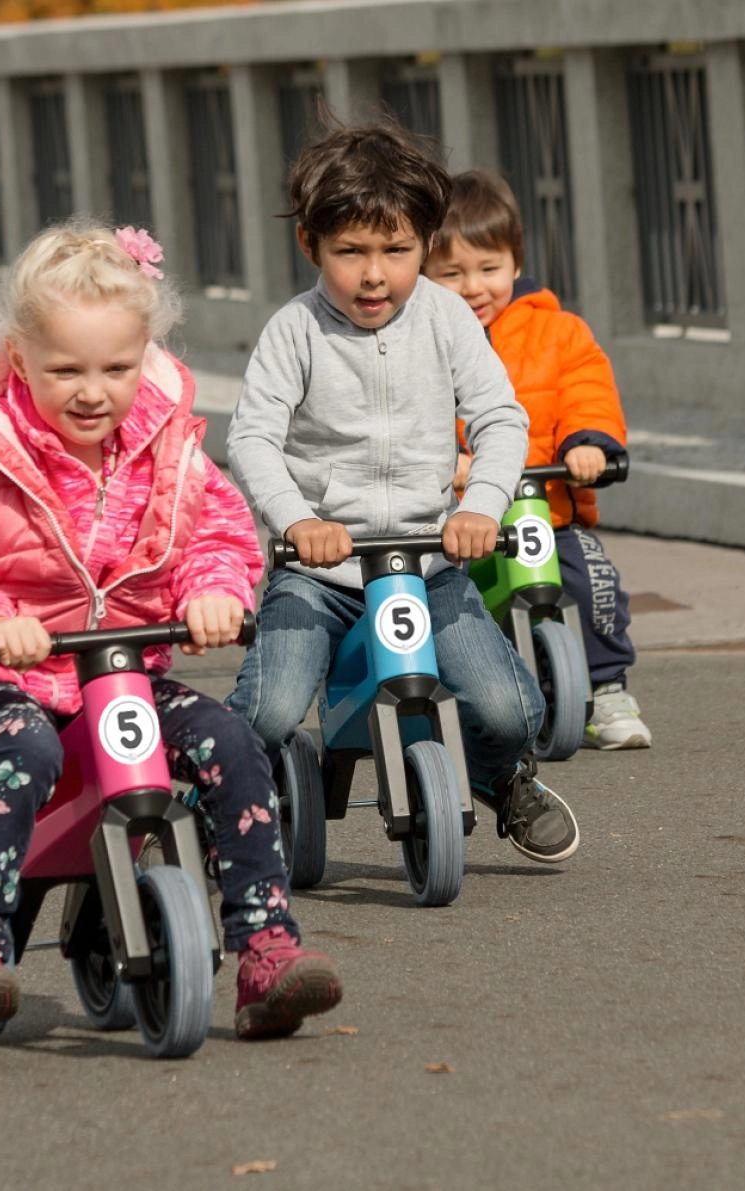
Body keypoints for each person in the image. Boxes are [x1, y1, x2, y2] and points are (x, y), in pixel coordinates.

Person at [0, 221, 342, 1049]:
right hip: (10, 684)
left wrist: (214, 593)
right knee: (26, 754)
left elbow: (217, 534)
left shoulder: (168, 450)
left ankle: (267, 944)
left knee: (232, 740)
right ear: (21, 362)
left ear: (143, 359)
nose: (94, 392)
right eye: (67, 371)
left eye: (117, 369)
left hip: (126, 676)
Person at [224, 121, 580, 864]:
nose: (374, 275)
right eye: (350, 252)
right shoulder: (294, 332)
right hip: (321, 574)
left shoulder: (446, 319)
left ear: (426, 244)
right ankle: (226, 813)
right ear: (311, 246)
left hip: (427, 563)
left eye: (396, 250)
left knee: (511, 711)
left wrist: (481, 505)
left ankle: (498, 776)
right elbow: (252, 438)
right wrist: (297, 520)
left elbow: (499, 417)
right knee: (269, 711)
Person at [424, 170, 652, 750]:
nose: (473, 287)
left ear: (516, 262)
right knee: (444, 605)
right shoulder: (423, 340)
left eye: (489, 268)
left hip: (545, 512)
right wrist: (448, 461)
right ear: (424, 274)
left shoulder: (558, 332)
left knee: (593, 579)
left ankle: (607, 687)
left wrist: (586, 443)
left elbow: (586, 390)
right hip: (460, 523)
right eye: (452, 273)